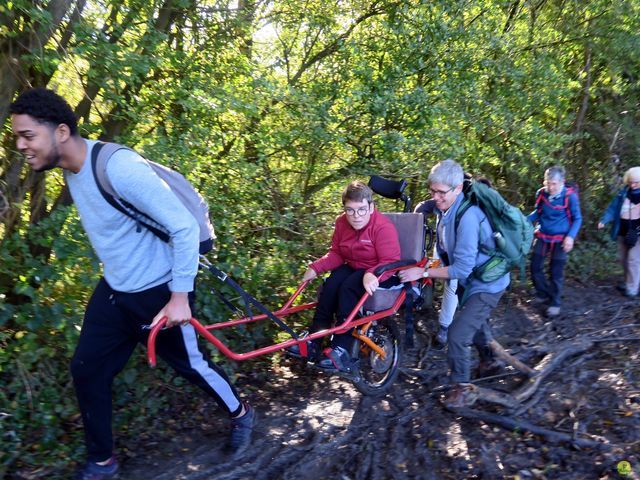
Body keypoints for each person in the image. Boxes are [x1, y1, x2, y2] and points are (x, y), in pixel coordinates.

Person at [10, 88, 255, 480]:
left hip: (159, 292)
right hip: (115, 290)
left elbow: (183, 228)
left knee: (192, 366)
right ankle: (103, 462)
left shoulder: (118, 167)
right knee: (87, 369)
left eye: (27, 135)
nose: (21, 145)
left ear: (59, 132)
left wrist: (179, 297)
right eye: (17, 137)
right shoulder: (71, 171)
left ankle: (242, 414)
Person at [399, 160, 509, 407]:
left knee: (458, 335)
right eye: (432, 191)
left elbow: (461, 267)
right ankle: (490, 360)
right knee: (473, 321)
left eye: (441, 193)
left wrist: (423, 272)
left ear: (458, 188)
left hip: (487, 284)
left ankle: (462, 388)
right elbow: (431, 215)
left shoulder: (468, 216)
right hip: (471, 281)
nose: (436, 198)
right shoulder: (447, 207)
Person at [288, 181, 401, 372]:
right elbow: (337, 253)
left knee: (348, 286)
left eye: (362, 210)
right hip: (353, 266)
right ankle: (315, 340)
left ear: (371, 207)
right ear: (344, 209)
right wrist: (316, 267)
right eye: (350, 210)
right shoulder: (342, 223)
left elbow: (391, 260)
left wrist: (371, 273)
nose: (356, 216)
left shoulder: (382, 227)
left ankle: (343, 347)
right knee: (331, 283)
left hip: (379, 271)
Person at [414, 176, 493, 347]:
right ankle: (427, 306)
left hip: (460, 257)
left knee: (452, 286)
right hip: (442, 250)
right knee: (431, 276)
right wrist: (416, 226)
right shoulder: (445, 201)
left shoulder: (473, 209)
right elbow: (422, 207)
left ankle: (444, 328)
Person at [527, 166, 582, 317]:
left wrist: (570, 237)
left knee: (555, 271)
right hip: (543, 235)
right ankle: (543, 293)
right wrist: (523, 221)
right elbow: (538, 212)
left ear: (562, 182)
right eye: (547, 183)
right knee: (535, 266)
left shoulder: (569, 196)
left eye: (554, 184)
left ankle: (555, 302)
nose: (550, 187)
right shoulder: (541, 193)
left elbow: (577, 218)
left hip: (561, 238)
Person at [597, 166, 640, 297]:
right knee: (623, 259)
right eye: (631, 181)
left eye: (636, 182)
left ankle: (632, 288)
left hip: (637, 232)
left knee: (633, 259)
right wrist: (604, 220)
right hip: (622, 231)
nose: (632, 184)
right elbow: (613, 208)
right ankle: (629, 282)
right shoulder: (623, 193)